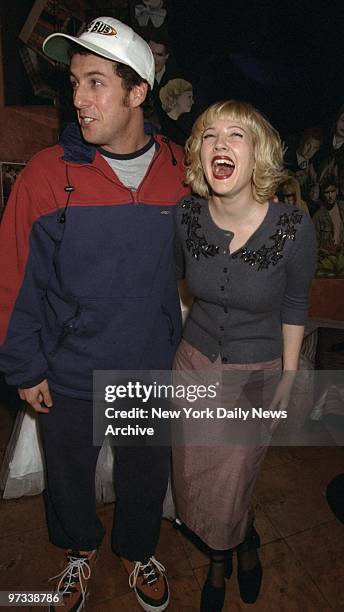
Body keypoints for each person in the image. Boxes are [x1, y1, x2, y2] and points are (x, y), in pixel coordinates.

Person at [0, 16, 189, 612]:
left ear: (139, 93)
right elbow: (12, 280)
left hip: (148, 367)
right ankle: (78, 551)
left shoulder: (182, 172)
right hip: (69, 368)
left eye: (96, 82)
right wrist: (25, 367)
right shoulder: (45, 174)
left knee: (143, 476)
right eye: (75, 82)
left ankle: (136, 551)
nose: (78, 99)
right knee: (70, 479)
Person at [172, 100, 317, 611]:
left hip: (256, 372)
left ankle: (221, 561)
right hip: (192, 366)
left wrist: (289, 377)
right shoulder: (186, 217)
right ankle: (245, 534)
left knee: (233, 478)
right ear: (198, 152)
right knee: (193, 477)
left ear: (258, 155)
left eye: (236, 135)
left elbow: (296, 304)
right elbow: (170, 287)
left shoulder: (293, 229)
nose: (221, 144)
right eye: (209, 135)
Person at [159, 78, 194, 145]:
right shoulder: (165, 131)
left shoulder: (185, 123)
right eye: (189, 97)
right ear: (176, 95)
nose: (192, 102)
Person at [313, 175, 344, 250]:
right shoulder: (318, 216)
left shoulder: (342, 208)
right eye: (327, 192)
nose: (330, 196)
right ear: (323, 194)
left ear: (336, 191)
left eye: (332, 191)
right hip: (327, 257)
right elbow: (314, 242)